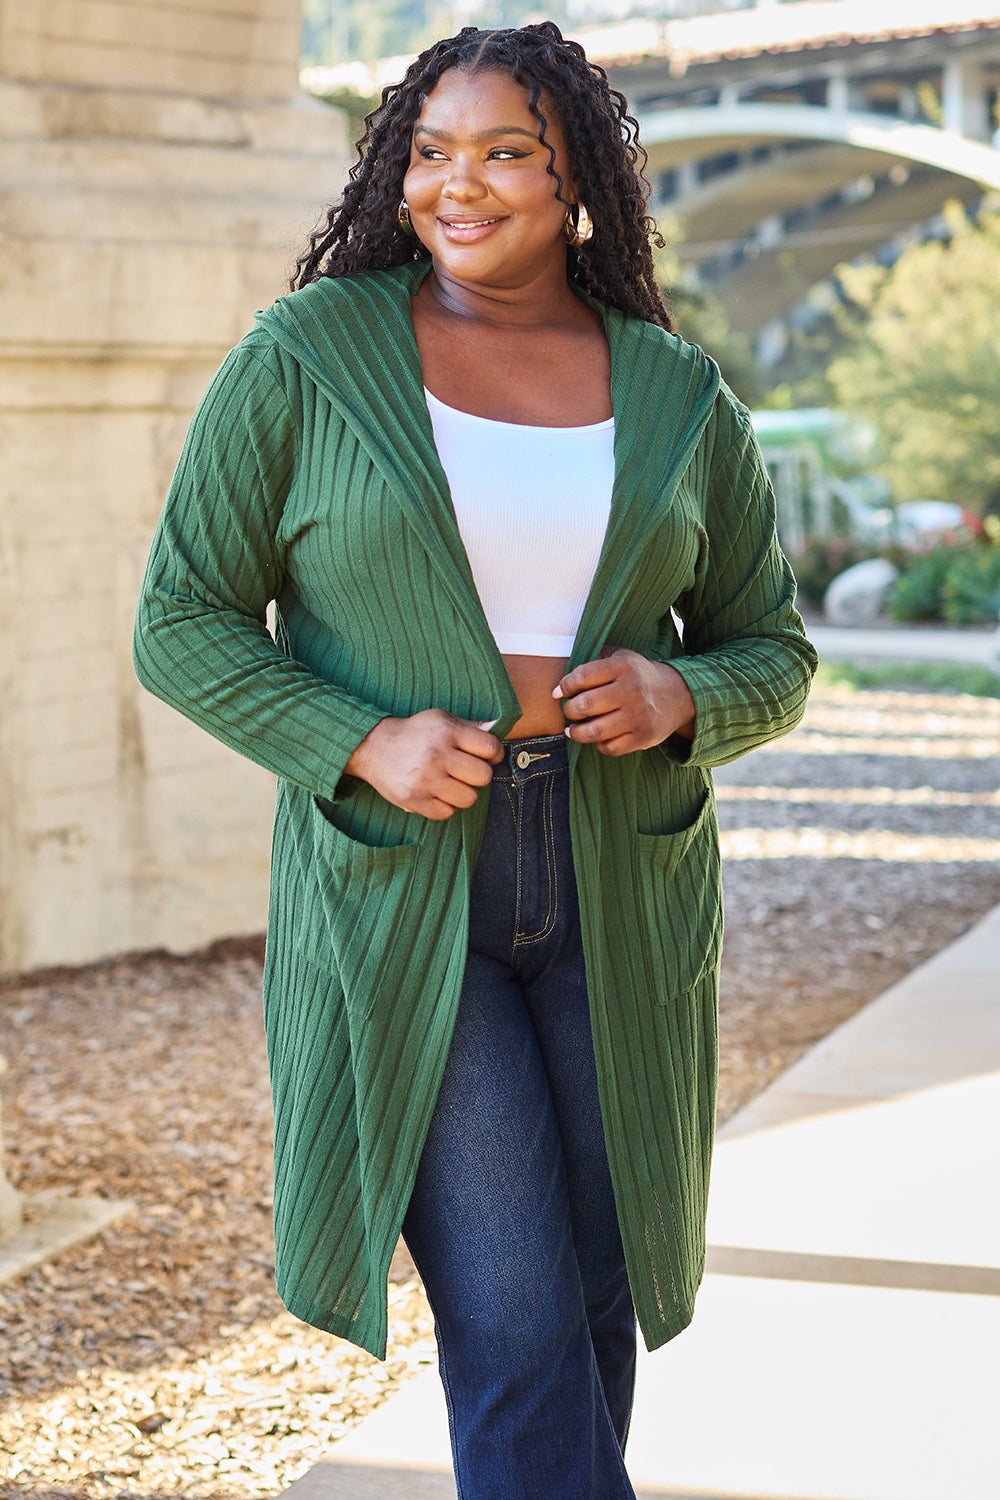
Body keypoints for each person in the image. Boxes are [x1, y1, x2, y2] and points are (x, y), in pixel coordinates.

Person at [133, 22, 816, 1499]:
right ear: (395, 170)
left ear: (577, 183)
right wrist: (356, 739)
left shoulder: (679, 392)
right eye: (432, 150)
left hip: (618, 884)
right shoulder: (306, 357)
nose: (464, 183)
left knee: (592, 1306)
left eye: (509, 150)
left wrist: (682, 692)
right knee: (511, 1318)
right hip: (405, 892)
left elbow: (775, 646)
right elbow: (179, 620)